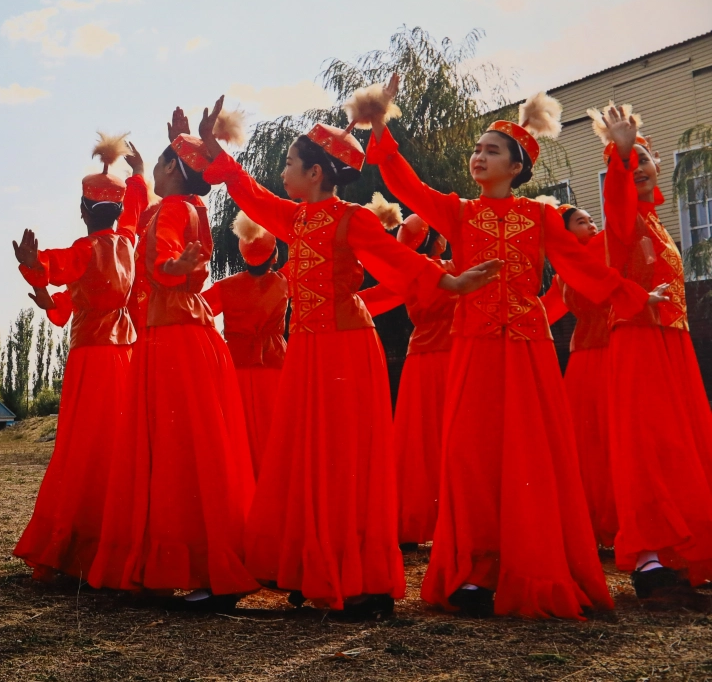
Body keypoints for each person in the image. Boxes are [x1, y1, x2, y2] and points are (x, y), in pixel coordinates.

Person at [198, 89, 501, 618]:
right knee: (303, 456)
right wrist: (212, 152)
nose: (284, 171)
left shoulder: (351, 219)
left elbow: (398, 262)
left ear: (316, 173)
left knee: (342, 461)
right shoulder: (294, 219)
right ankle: (309, 565)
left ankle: (359, 578)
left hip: (344, 350)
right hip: (308, 351)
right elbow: (248, 194)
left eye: (290, 164)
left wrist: (450, 281)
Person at [366, 78, 661, 619]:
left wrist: (634, 296)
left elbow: (584, 268)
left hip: (528, 350)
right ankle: (478, 570)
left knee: (530, 457)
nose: (479, 157)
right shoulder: (457, 212)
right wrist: (382, 128)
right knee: (473, 458)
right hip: (474, 347)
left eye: (491, 150)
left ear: (518, 166)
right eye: (477, 149)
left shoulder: (542, 217)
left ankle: (534, 562)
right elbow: (407, 188)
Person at [86, 107, 257, 608]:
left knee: (175, 453)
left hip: (172, 338)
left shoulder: (170, 211)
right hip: (190, 334)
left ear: (169, 172)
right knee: (198, 451)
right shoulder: (193, 209)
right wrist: (175, 145)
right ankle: (206, 563)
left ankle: (192, 566)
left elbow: (161, 262)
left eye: (162, 166)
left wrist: (169, 266)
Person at [11, 134, 147, 582]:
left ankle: (70, 544)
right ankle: (118, 543)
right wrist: (139, 176)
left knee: (80, 448)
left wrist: (33, 266)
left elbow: (54, 265)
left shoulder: (85, 251)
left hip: (92, 356)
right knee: (116, 449)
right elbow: (134, 215)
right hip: (125, 355)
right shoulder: (127, 244)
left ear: (84, 210)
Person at [595, 103, 712, 610]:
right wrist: (621, 150)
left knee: (681, 444)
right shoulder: (622, 222)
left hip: (673, 343)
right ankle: (649, 562)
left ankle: (680, 554)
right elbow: (616, 202)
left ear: (659, 163)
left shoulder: (660, 227)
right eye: (628, 162)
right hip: (639, 342)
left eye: (643, 158)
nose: (637, 166)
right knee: (648, 445)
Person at [358, 210, 457, 548]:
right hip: (456, 355)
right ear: (439, 241)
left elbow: (371, 300)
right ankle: (457, 519)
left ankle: (411, 520)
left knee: (418, 443)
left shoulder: (410, 276)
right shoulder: (456, 271)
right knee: (455, 439)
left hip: (420, 361)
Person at [538, 204, 617, 549]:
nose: (591, 224)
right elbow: (544, 311)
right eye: (581, 222)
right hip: (583, 357)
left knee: (613, 435)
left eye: (591, 220)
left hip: (614, 349)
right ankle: (592, 524)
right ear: (565, 233)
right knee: (586, 441)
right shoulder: (563, 275)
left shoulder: (609, 254)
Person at [202, 211, 288, 475]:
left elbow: (196, 311)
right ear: (274, 256)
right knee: (276, 433)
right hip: (275, 365)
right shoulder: (284, 282)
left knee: (239, 435)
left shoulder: (225, 287)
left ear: (242, 255)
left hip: (235, 365)